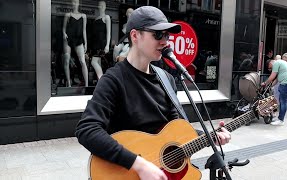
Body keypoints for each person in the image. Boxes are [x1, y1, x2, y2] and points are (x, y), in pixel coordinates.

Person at [75, 6, 231, 180]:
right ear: (135, 36)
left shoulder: (167, 79)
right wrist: (138, 164)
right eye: (158, 35)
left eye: (167, 35)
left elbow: (175, 129)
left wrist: (208, 137)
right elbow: (87, 129)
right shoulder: (113, 79)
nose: (165, 42)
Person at [62, 0, 88, 87]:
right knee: (66, 59)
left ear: (79, 3)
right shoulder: (68, 15)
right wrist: (64, 33)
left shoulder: (83, 16)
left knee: (82, 61)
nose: (75, 4)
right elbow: (64, 28)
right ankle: (69, 83)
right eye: (73, 2)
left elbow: (84, 30)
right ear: (71, 3)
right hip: (69, 39)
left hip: (79, 40)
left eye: (76, 2)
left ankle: (87, 85)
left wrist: (86, 43)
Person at [261, 59, 287, 126]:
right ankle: (280, 119)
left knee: (283, 101)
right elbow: (276, 79)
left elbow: (272, 76)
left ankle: (281, 120)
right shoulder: (280, 64)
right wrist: (270, 86)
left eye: (270, 67)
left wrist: (265, 83)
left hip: (286, 83)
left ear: (270, 63)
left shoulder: (276, 63)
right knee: (282, 101)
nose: (270, 69)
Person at [91, 1, 111, 79]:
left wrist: (107, 45)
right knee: (98, 63)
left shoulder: (107, 17)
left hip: (102, 43)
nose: (101, 7)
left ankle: (101, 82)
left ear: (105, 7)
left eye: (103, 5)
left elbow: (108, 33)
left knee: (94, 62)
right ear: (98, 7)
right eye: (100, 5)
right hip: (95, 43)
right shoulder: (96, 19)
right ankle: (101, 83)